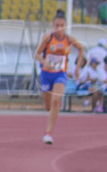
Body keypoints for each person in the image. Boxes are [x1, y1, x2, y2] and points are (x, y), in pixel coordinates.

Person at [35, 10, 85, 144]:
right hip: (46, 74)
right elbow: (37, 54)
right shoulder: (48, 38)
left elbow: (81, 49)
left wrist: (77, 68)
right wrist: (45, 62)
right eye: (56, 25)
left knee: (56, 101)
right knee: (48, 106)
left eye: (62, 25)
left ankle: (48, 133)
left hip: (61, 74)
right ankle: (55, 103)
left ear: (65, 26)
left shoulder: (69, 39)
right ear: (53, 26)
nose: (59, 28)